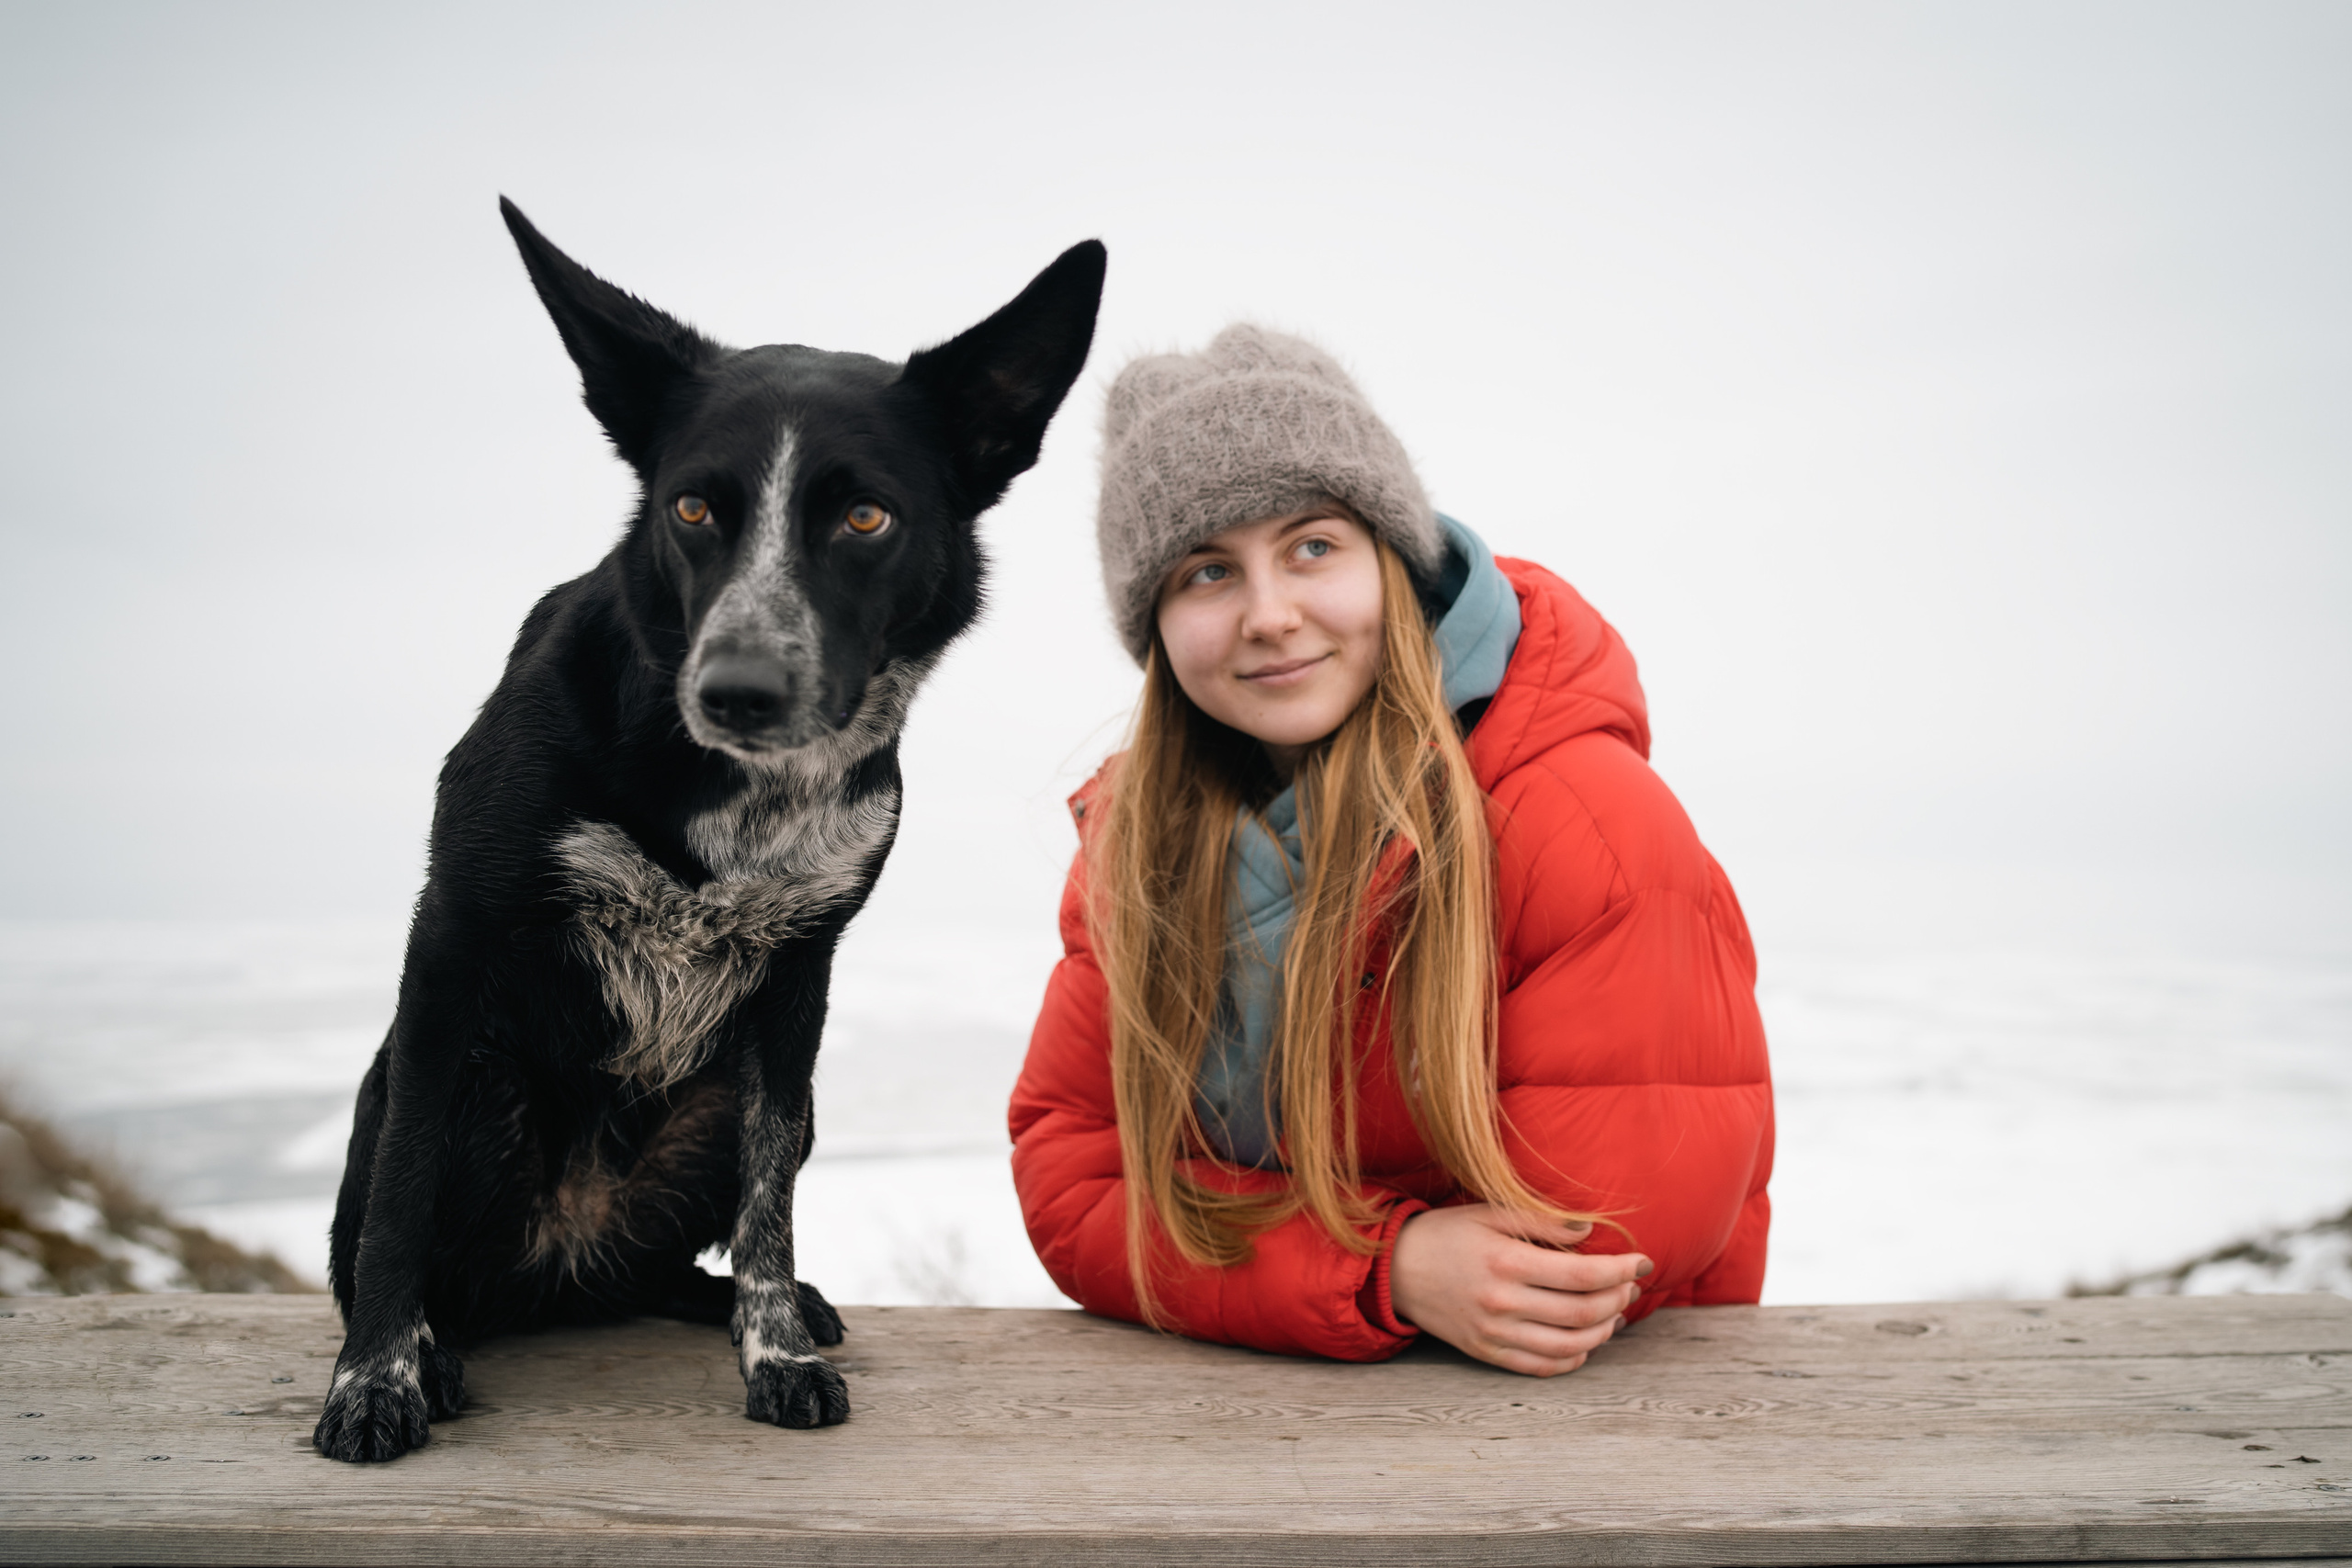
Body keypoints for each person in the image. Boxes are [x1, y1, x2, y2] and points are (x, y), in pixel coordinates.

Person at [1010, 325, 1771, 1375]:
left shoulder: (1579, 818)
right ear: (1156, 627)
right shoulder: (1135, 845)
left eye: (1311, 546)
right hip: (1255, 1447)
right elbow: (1074, 1185)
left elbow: (1583, 1254)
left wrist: (1241, 1243)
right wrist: (1388, 1264)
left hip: (1579, 1463)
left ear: (1394, 563)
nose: (1270, 615)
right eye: (1206, 572)